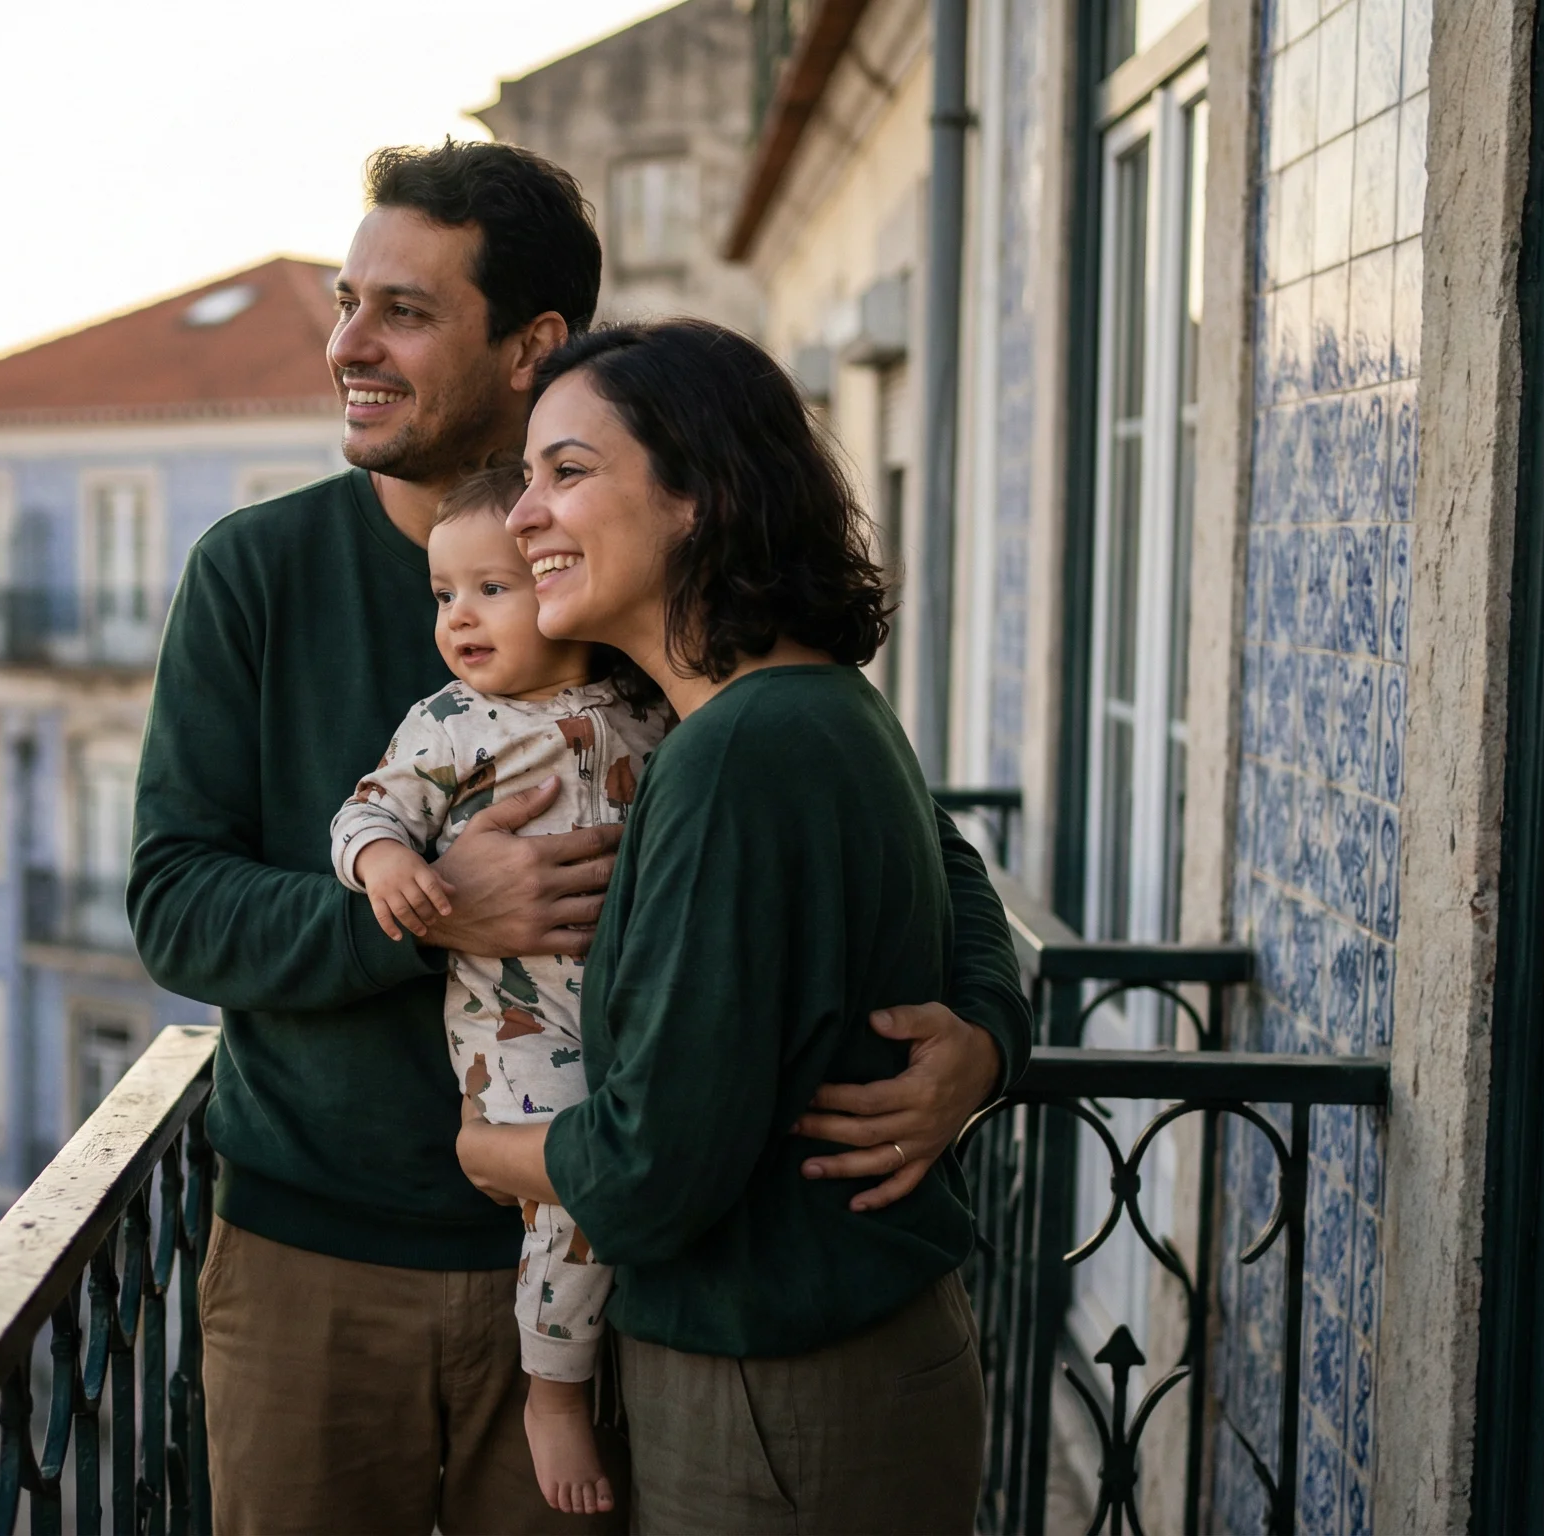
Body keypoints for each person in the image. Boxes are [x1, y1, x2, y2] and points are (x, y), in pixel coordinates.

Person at [127, 139, 1028, 1536]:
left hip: (598, 1265)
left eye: (404, 312)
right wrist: (432, 907)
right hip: (322, 1259)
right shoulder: (257, 573)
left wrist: (980, 1033)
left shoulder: (640, 612)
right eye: (347, 302)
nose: (347, 345)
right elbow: (175, 906)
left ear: (533, 342)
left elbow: (909, 840)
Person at [457, 319, 989, 1533]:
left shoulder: (739, 752)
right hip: (847, 1362)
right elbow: (958, 879)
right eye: (527, 475)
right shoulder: (810, 706)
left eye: (568, 472)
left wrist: (487, 1154)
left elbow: (649, 1173)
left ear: (699, 492)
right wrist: (989, 1042)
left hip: (776, 1388)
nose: (523, 513)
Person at [328, 465, 671, 1517]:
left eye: (492, 589)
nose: (460, 618)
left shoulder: (643, 701)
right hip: (513, 1028)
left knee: (625, 1175)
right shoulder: (449, 722)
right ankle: (555, 1393)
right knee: (576, 1195)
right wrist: (391, 870)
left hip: (626, 1014)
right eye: (444, 596)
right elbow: (365, 812)